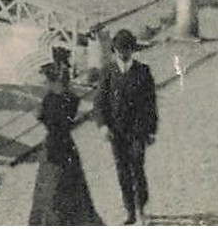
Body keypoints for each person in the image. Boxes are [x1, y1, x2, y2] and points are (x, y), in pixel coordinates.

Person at [29, 47, 101, 226]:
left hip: (53, 149)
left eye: (46, 79)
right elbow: (63, 121)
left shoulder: (49, 100)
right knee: (69, 187)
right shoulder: (70, 99)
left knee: (52, 189)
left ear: (53, 80)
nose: (44, 82)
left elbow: (54, 123)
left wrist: (40, 116)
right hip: (66, 147)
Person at [94, 29, 157, 225]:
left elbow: (150, 104)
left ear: (132, 50)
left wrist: (151, 130)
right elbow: (99, 103)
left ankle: (141, 209)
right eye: (120, 49)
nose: (123, 53)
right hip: (116, 132)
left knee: (137, 168)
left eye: (127, 49)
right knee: (122, 171)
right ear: (114, 50)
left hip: (138, 131)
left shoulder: (143, 71)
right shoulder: (108, 72)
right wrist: (103, 125)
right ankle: (129, 210)